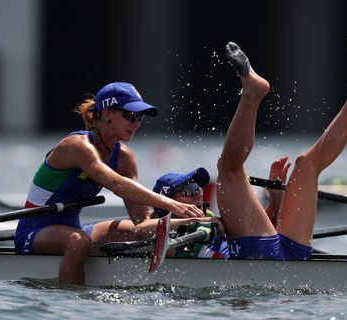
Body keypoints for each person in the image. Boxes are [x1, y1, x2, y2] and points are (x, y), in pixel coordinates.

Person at [14, 82, 210, 285]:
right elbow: (116, 183)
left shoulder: (123, 157)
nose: (136, 124)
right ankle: (71, 304)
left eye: (140, 118)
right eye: (130, 116)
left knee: (137, 235)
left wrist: (185, 221)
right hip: (34, 230)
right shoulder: (77, 147)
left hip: (73, 227)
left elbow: (142, 223)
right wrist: (171, 204)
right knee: (79, 242)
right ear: (107, 113)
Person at [217, 38, 347, 260]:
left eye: (193, 187)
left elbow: (267, 233)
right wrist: (178, 217)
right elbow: (149, 225)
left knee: (306, 164)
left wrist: (275, 200)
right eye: (185, 190)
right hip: (270, 257)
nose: (195, 192)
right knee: (229, 169)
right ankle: (251, 96)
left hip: (280, 252)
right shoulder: (166, 218)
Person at [152, 167, 229, 259]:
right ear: (168, 203)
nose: (199, 194)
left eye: (197, 188)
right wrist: (195, 222)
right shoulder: (158, 237)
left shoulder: (210, 217)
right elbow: (139, 231)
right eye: (189, 189)